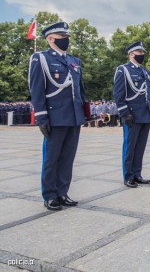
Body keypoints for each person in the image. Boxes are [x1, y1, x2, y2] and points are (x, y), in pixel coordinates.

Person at [28, 21, 85, 210]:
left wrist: (84, 113)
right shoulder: (41, 58)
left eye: (67, 36)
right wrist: (41, 117)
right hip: (55, 116)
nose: (66, 39)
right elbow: (37, 90)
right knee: (52, 158)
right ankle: (50, 195)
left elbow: (80, 90)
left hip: (73, 116)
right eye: (62, 37)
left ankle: (62, 192)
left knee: (68, 158)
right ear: (50, 38)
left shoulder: (74, 61)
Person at [113, 41, 150, 187]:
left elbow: (149, 93)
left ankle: (137, 173)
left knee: (140, 147)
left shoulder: (145, 71)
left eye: (143, 52)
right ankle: (128, 176)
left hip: (145, 114)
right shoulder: (123, 70)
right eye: (139, 52)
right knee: (130, 147)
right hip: (132, 115)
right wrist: (124, 113)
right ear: (131, 54)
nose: (142, 55)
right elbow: (118, 94)